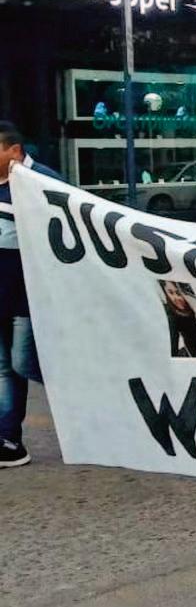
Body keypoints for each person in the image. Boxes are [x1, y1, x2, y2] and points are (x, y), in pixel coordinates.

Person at [0, 121, 62, 467]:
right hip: (2, 294)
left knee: (24, 363)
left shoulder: (43, 182)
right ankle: (9, 440)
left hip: (30, 296)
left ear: (14, 150)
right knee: (4, 368)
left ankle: (89, 402)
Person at [161, 281, 196, 358]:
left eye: (178, 293)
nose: (176, 298)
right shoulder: (172, 315)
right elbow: (173, 344)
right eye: (170, 293)